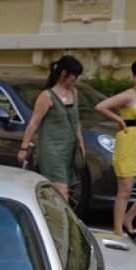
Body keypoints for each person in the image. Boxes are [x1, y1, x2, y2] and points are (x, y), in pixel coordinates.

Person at [95, 59, 136, 240]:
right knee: (125, 191)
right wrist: (118, 120)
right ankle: (118, 231)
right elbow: (101, 107)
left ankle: (129, 217)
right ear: (134, 76)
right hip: (128, 144)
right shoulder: (128, 95)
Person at [17, 55, 86, 201]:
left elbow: (76, 119)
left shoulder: (74, 93)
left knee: (57, 190)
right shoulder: (47, 95)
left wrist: (81, 143)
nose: (75, 79)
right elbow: (34, 122)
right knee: (62, 190)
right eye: (73, 75)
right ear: (63, 73)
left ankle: (50, 220)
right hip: (52, 150)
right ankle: (64, 223)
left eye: (77, 75)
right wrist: (23, 148)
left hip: (69, 149)